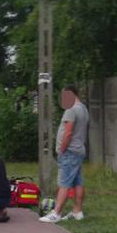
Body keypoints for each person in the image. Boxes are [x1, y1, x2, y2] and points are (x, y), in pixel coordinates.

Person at [40, 85, 89, 223]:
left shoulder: (71, 109)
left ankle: (56, 212)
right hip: (78, 150)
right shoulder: (83, 108)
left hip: (69, 151)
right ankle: (77, 211)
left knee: (64, 183)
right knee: (78, 182)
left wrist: (62, 149)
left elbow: (68, 132)